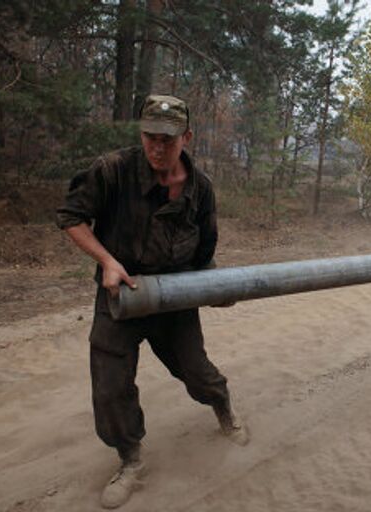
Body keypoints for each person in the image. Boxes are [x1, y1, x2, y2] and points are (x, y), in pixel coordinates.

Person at [56, 94, 248, 509]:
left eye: (168, 139)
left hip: (175, 299)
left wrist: (214, 287)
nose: (158, 148)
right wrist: (107, 261)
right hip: (120, 296)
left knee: (197, 374)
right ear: (141, 134)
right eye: (150, 137)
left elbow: (205, 251)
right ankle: (130, 460)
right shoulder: (112, 171)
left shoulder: (201, 189)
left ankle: (224, 408)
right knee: (110, 388)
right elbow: (70, 216)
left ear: (187, 138)